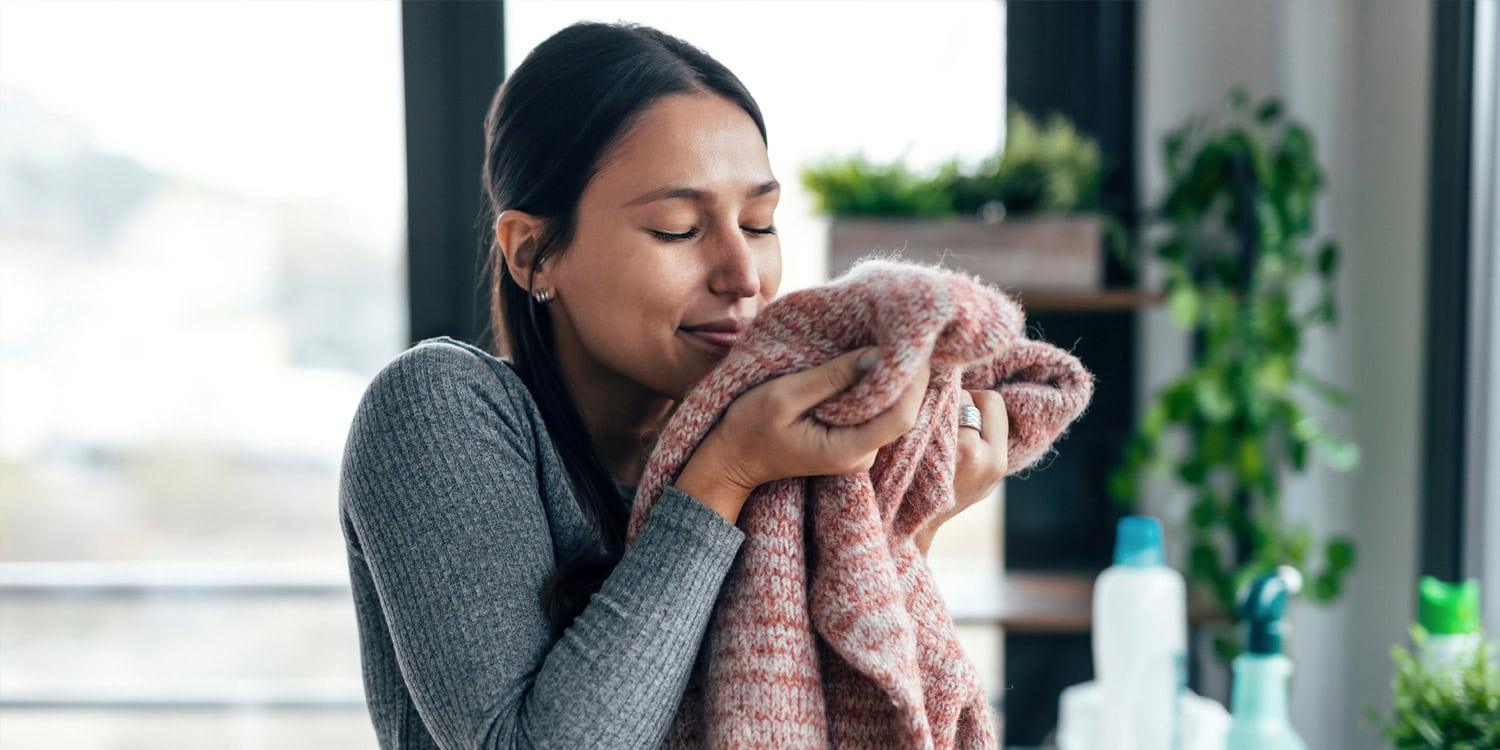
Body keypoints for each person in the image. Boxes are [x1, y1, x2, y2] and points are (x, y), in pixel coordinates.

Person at [338, 20, 1008, 749]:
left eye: (758, 223)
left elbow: (830, 714)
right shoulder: (436, 409)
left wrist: (903, 522)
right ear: (532, 253)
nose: (743, 276)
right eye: (678, 229)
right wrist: (728, 470)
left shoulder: (776, 446)